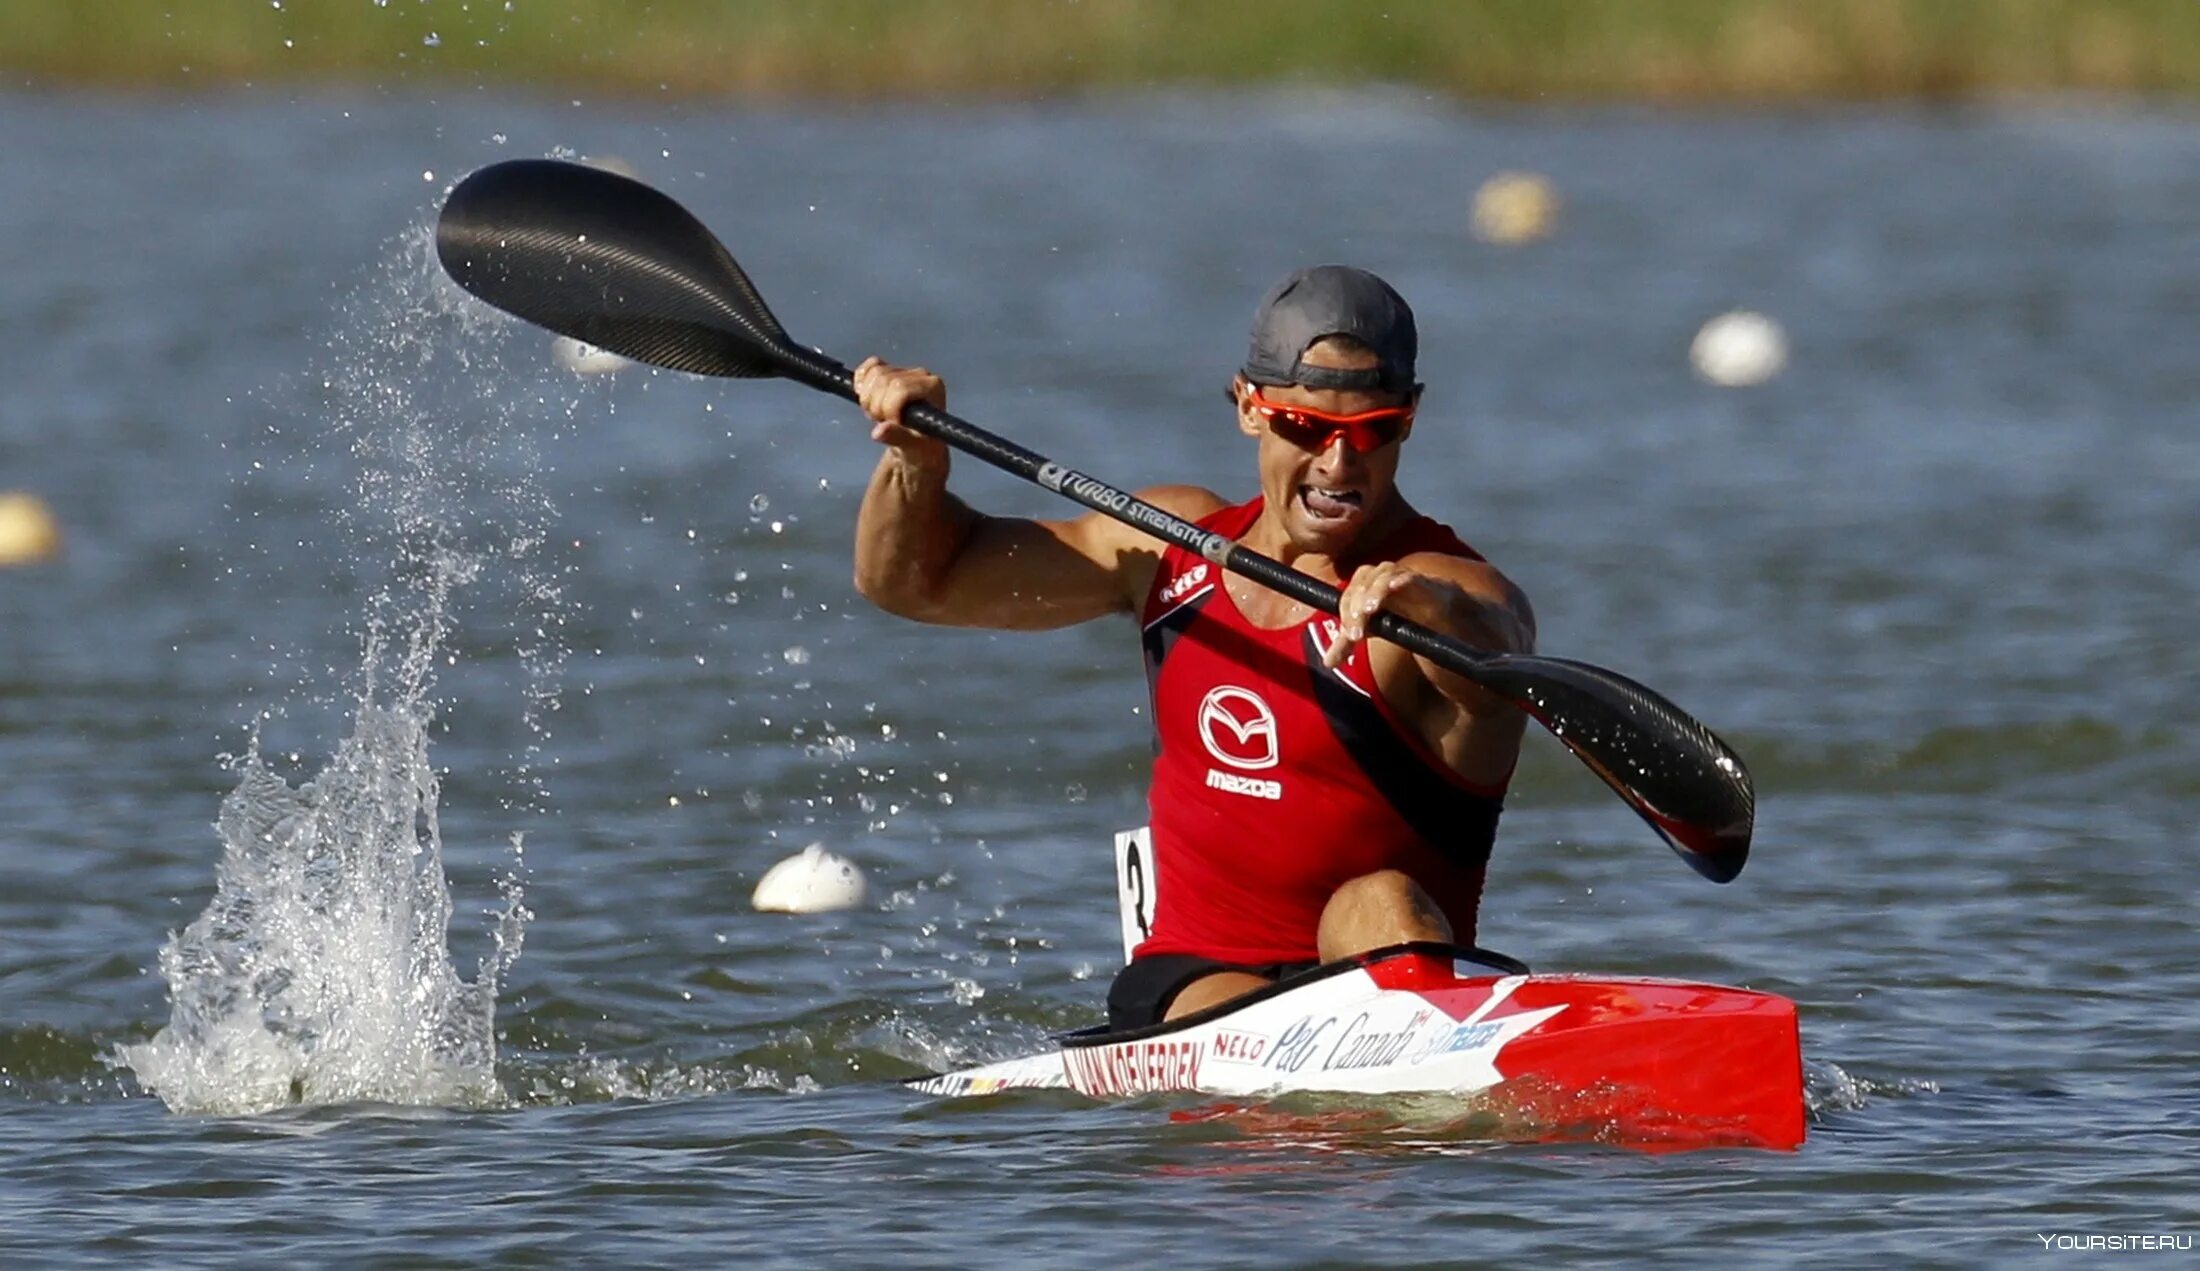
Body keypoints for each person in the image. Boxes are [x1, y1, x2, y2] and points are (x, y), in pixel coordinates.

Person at [851, 265, 1535, 1030]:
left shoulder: (1435, 586)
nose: (1339, 465)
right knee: (1233, 1010)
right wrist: (915, 461)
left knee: (1375, 901)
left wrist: (1425, 606)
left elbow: (1499, 649)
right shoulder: (1169, 545)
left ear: (1408, 417)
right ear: (1249, 404)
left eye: (1370, 430)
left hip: (1385, 975)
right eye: (1305, 428)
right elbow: (915, 584)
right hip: (1201, 981)